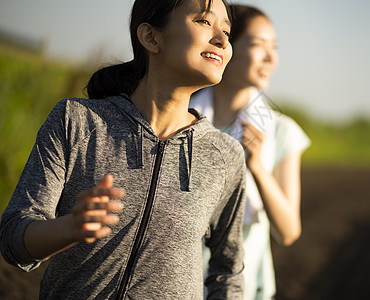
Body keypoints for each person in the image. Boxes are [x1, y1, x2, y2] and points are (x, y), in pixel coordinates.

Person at [0, 0, 247, 298]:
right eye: (205, 22)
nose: (221, 40)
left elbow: (229, 273)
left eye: (227, 31)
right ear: (150, 37)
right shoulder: (76, 120)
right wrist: (70, 227)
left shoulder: (225, 156)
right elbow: (13, 239)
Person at [190, 4, 311, 299]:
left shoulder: (281, 131)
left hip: (241, 288)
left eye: (275, 47)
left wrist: (257, 166)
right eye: (258, 45)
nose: (271, 58)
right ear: (227, 45)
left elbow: (288, 231)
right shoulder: (182, 117)